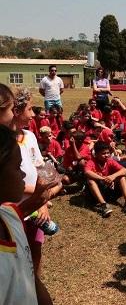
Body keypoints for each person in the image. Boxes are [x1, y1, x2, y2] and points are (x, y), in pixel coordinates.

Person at [0, 124, 58, 305]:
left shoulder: (10, 215)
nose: (24, 173)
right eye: (18, 167)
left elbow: (29, 276)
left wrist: (39, 199)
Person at [84, 141, 126, 217]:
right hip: (96, 191)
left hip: (108, 189)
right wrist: (102, 179)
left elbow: (124, 170)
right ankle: (103, 205)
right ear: (96, 154)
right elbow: (87, 172)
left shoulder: (109, 160)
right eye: (103, 153)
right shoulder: (91, 162)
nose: (106, 155)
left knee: (121, 177)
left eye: (108, 153)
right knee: (90, 181)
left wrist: (113, 176)